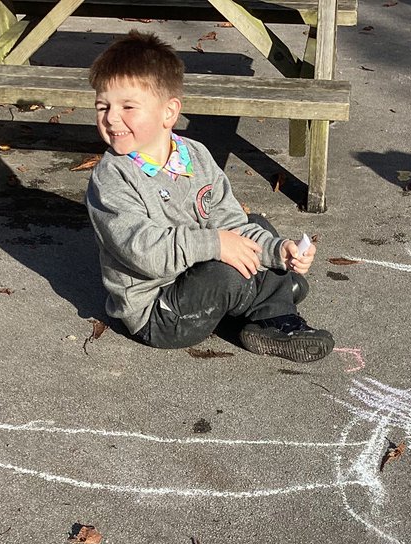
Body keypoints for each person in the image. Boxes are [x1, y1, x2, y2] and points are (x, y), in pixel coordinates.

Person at [84, 31, 334, 362]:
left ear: (169, 112)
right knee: (226, 272)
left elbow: (230, 223)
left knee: (256, 225)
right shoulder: (111, 177)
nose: (112, 118)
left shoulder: (196, 156)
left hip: (195, 280)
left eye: (128, 106)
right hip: (159, 312)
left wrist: (277, 252)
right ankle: (274, 313)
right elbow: (143, 251)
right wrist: (216, 245)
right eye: (103, 106)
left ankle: (268, 295)